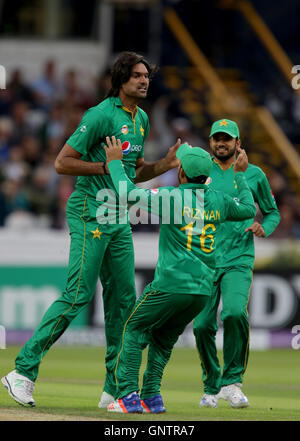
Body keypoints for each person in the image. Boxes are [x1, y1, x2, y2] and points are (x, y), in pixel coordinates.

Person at [1, 51, 181, 408]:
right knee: (78, 294)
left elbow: (133, 170)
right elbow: (61, 162)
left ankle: (114, 389)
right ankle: (22, 371)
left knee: (124, 303)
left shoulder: (141, 118)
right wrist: (105, 166)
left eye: (147, 76)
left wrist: (163, 165)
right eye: (138, 76)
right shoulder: (100, 115)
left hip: (119, 218)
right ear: (121, 80)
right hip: (90, 213)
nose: (145, 81)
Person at [102, 136, 256, 413]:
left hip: (170, 285)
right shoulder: (219, 201)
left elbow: (126, 194)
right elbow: (247, 209)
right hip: (200, 292)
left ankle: (127, 396)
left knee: (133, 329)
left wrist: (114, 164)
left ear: (181, 173)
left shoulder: (171, 197)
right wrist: (241, 176)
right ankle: (151, 397)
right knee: (162, 340)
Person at [193, 119, 281, 408]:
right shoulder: (199, 171)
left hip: (238, 258)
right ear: (210, 142)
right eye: (217, 138)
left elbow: (272, 213)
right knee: (202, 325)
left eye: (227, 139)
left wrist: (263, 227)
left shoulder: (253, 174)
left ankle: (232, 383)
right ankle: (211, 386)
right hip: (204, 259)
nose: (222, 143)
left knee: (232, 313)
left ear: (237, 143)